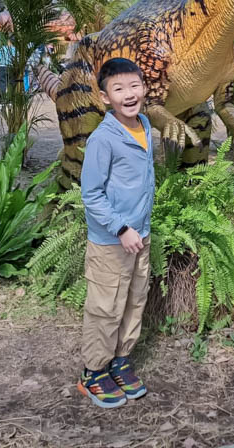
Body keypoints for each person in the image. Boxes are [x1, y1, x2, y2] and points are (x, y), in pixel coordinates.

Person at [78, 57, 155, 409]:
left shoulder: (144, 124)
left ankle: (120, 361)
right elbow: (91, 194)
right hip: (112, 240)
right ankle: (94, 371)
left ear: (144, 87)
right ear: (105, 97)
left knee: (134, 301)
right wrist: (121, 228)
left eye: (134, 85)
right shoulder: (102, 140)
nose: (129, 94)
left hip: (142, 236)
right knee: (106, 306)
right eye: (119, 88)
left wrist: (137, 228)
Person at [0, 38, 16, 102]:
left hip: (3, 68)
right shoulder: (16, 50)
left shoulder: (2, 49)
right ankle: (10, 99)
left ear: (9, 42)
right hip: (12, 68)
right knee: (11, 84)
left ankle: (2, 99)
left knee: (2, 84)